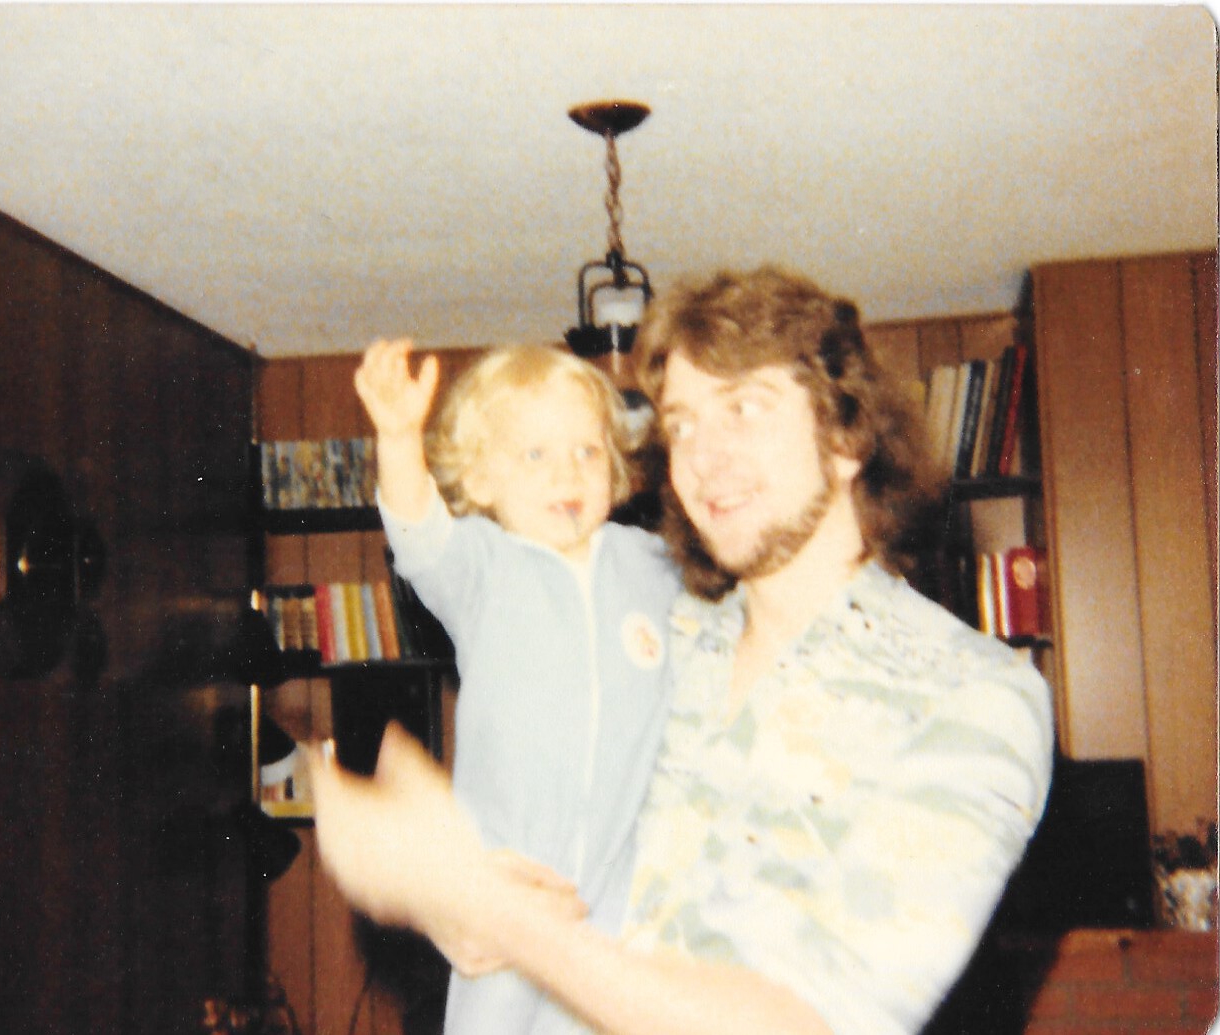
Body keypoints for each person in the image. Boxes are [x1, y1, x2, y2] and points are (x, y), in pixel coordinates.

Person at [314, 267, 1054, 1035]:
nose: (702, 454)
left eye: (742, 407)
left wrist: (491, 908)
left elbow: (815, 1024)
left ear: (844, 437)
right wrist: (463, 899)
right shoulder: (666, 631)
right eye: (682, 423)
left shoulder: (971, 697)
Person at [352, 339, 681, 1034]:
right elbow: (417, 527)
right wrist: (399, 438)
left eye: (588, 451)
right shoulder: (482, 567)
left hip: (621, 888)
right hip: (509, 885)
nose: (568, 471)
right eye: (535, 454)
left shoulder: (650, 565)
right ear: (480, 480)